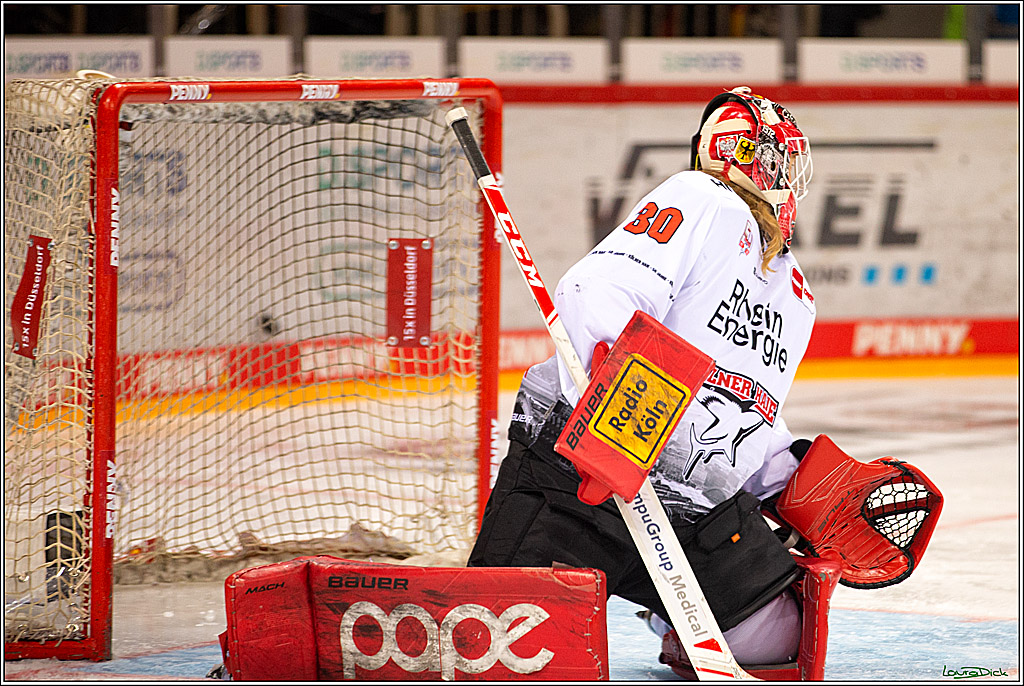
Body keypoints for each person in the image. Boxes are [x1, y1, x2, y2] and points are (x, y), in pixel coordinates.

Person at [467, 86, 815, 667]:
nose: (790, 179)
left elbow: (746, 413)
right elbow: (594, 294)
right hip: (575, 477)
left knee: (779, 645)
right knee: (505, 651)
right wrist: (619, 418)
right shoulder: (704, 198)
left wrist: (791, 478)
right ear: (740, 154)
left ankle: (670, 611)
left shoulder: (797, 294)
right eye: (781, 160)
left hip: (689, 513)